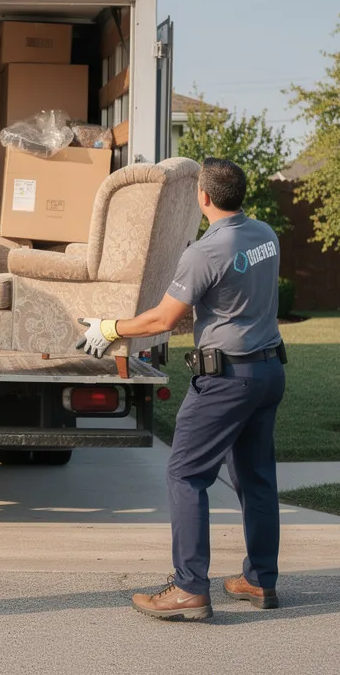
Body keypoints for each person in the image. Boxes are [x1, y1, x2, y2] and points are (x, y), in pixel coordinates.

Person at [76, 157, 285, 622]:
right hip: (269, 372)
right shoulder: (266, 236)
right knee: (256, 477)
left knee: (185, 475)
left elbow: (163, 319)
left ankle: (190, 588)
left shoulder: (206, 252)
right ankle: (261, 579)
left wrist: (109, 328)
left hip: (227, 379)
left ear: (204, 197)